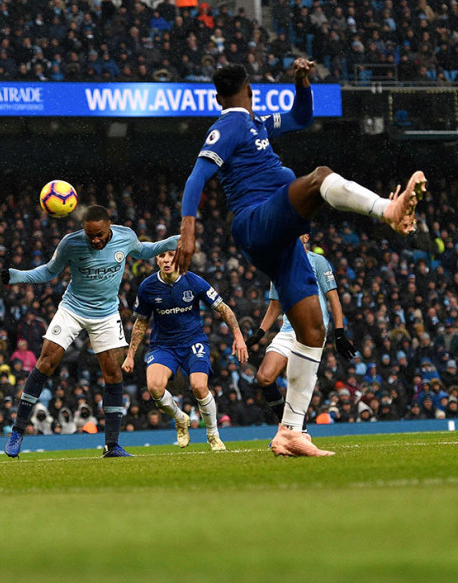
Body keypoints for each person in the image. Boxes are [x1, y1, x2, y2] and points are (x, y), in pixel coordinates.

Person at [174, 59, 426, 456]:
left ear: (219, 95)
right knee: (319, 176)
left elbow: (301, 116)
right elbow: (196, 176)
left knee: (312, 332)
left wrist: (302, 83)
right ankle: (387, 210)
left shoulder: (257, 125)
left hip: (281, 238)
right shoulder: (231, 124)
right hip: (257, 219)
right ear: (249, 91)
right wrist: (188, 227)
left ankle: (289, 432)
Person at [0, 204, 179, 458]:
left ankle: (112, 445)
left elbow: (144, 250)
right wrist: (18, 276)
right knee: (47, 361)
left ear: (108, 227)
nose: (94, 239)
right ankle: (17, 431)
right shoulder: (70, 243)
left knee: (113, 372)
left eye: (99, 235)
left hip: (106, 314)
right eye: (89, 235)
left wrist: (172, 241)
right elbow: (50, 271)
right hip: (72, 308)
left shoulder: (125, 236)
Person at [122, 250, 248, 451]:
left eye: (171, 255)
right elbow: (140, 322)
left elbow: (223, 308)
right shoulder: (148, 287)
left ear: (178, 258)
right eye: (162, 255)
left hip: (193, 342)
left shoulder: (194, 281)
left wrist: (239, 337)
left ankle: (213, 435)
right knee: (154, 388)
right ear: (156, 260)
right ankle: (180, 418)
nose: (167, 260)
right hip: (163, 345)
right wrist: (130, 355)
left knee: (199, 386)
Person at [246, 234, 357, 426]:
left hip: (312, 333)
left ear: (305, 237)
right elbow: (274, 306)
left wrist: (339, 333)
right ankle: (292, 427)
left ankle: (295, 431)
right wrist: (259, 334)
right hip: (289, 330)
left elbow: (334, 299)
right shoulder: (279, 266)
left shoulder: (318, 262)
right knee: (264, 377)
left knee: (296, 383)